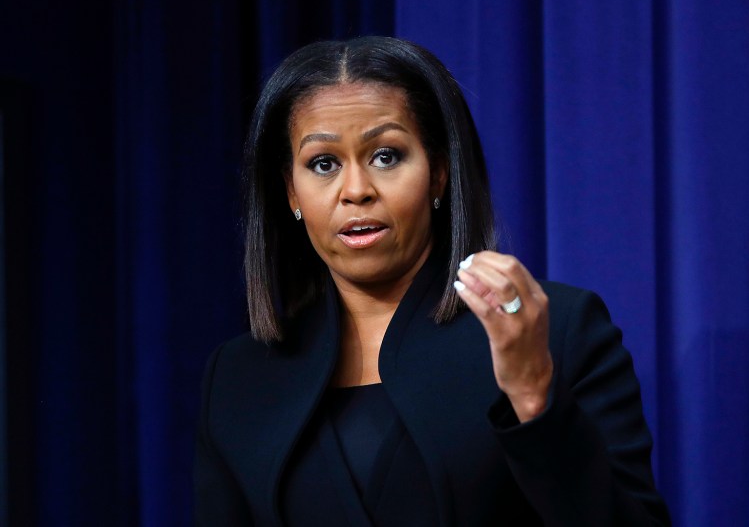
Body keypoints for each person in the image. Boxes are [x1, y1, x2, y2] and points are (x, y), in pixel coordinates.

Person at [194, 36, 671, 526]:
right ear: (291, 191)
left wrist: (533, 397)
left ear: (439, 172)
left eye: (386, 156)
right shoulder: (236, 378)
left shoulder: (554, 331)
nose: (356, 190)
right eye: (324, 164)